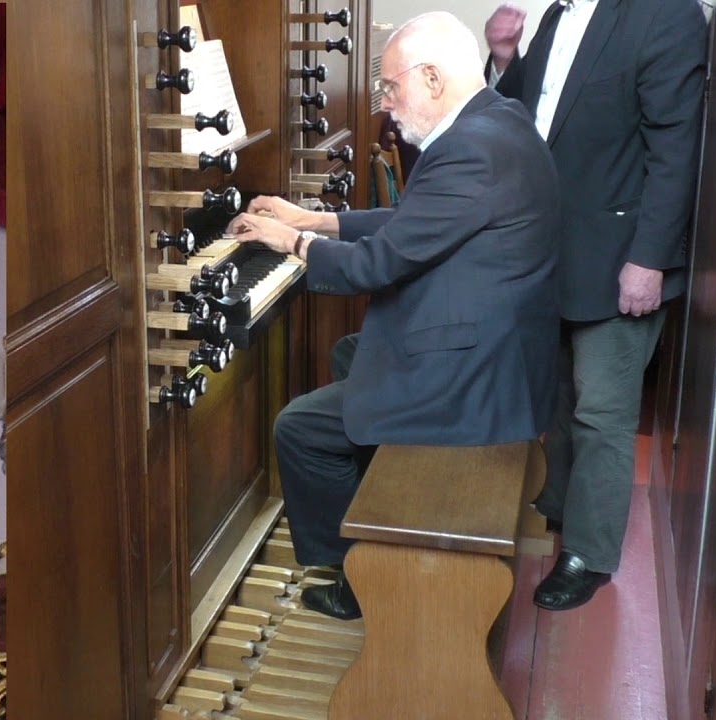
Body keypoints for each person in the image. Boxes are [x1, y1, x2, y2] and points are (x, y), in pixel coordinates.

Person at [228, 11, 560, 620]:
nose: (383, 104)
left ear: (432, 78)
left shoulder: (470, 151)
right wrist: (314, 220)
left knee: (298, 429)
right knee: (353, 353)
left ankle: (361, 582)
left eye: (390, 86)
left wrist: (290, 244)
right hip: (500, 350)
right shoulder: (496, 121)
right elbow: (417, 223)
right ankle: (373, 523)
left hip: (477, 383)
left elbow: (374, 267)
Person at [484, 0, 706, 611]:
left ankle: (590, 552)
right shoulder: (558, 15)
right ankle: (554, 506)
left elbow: (676, 151)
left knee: (603, 411)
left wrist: (650, 259)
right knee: (555, 392)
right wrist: (506, 58)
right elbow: (528, 115)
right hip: (553, 247)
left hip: (622, 255)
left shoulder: (666, 15)